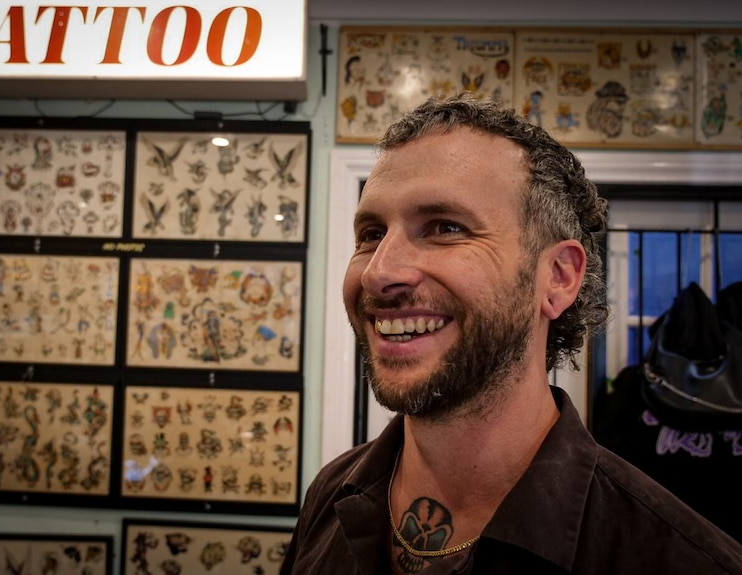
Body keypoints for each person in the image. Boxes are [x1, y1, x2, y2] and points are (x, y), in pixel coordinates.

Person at [280, 94, 742, 574]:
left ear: (559, 277)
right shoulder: (329, 496)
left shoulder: (680, 557)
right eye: (372, 234)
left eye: (445, 227)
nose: (378, 273)